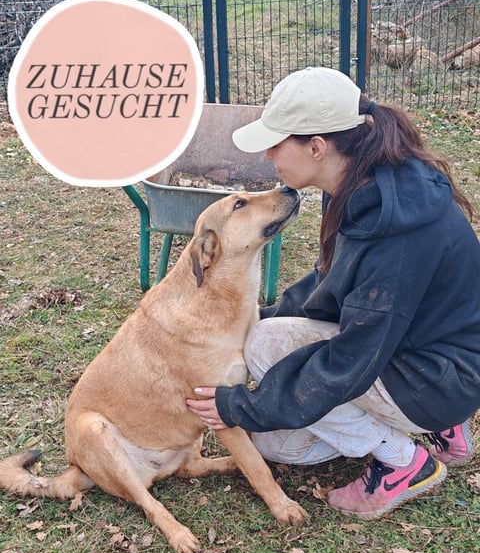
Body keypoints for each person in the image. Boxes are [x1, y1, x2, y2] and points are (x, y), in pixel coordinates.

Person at [187, 66, 480, 520]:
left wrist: (240, 405)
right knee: (278, 445)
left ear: (317, 147)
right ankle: (441, 426)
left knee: (264, 346)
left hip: (439, 376)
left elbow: (351, 358)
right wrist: (258, 318)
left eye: (276, 143)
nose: (268, 154)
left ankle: (405, 463)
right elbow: (331, 280)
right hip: (421, 351)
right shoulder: (360, 182)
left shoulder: (395, 231)